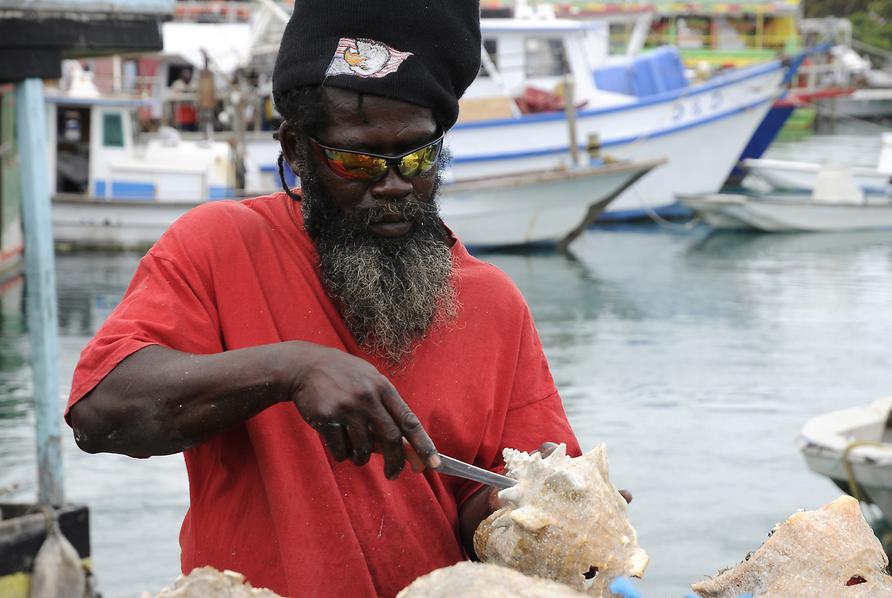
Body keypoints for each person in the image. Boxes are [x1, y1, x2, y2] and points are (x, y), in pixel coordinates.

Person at [66, 2, 584, 596]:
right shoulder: (218, 247)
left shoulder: (493, 304)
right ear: (294, 149)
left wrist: (528, 508)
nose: (391, 186)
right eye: (358, 160)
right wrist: (288, 368)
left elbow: (476, 512)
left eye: (415, 156)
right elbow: (100, 416)